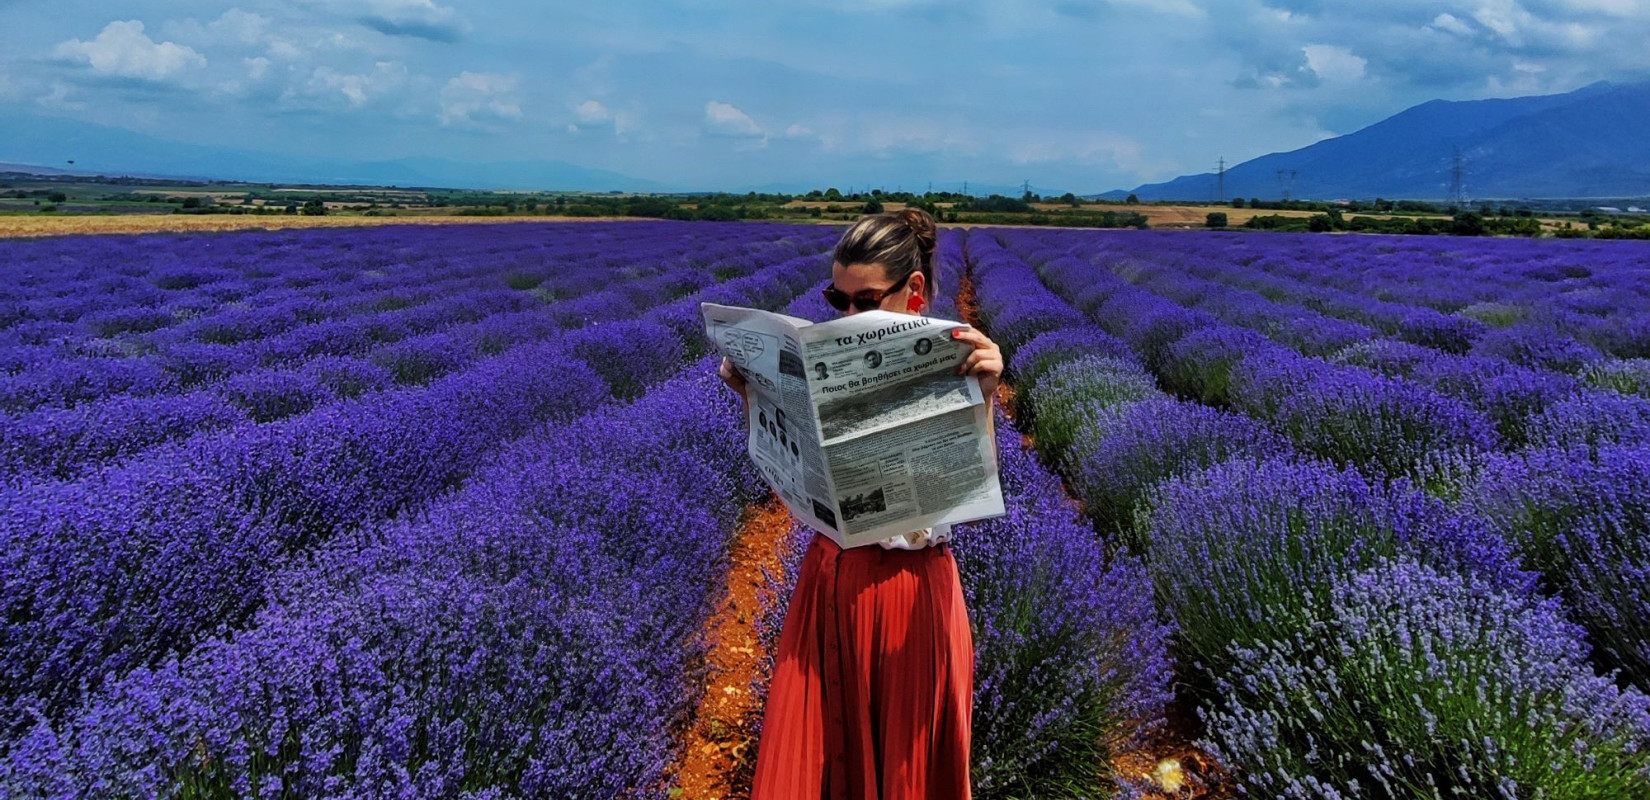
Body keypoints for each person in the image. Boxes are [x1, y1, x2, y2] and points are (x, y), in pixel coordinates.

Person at [717, 208, 1003, 799]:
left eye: (865, 299)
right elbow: (788, 481)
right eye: (837, 300)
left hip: (909, 597)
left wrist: (987, 395)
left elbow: (962, 495)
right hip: (827, 584)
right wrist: (758, 398)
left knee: (905, 771)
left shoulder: (956, 357)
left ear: (914, 290)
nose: (848, 316)